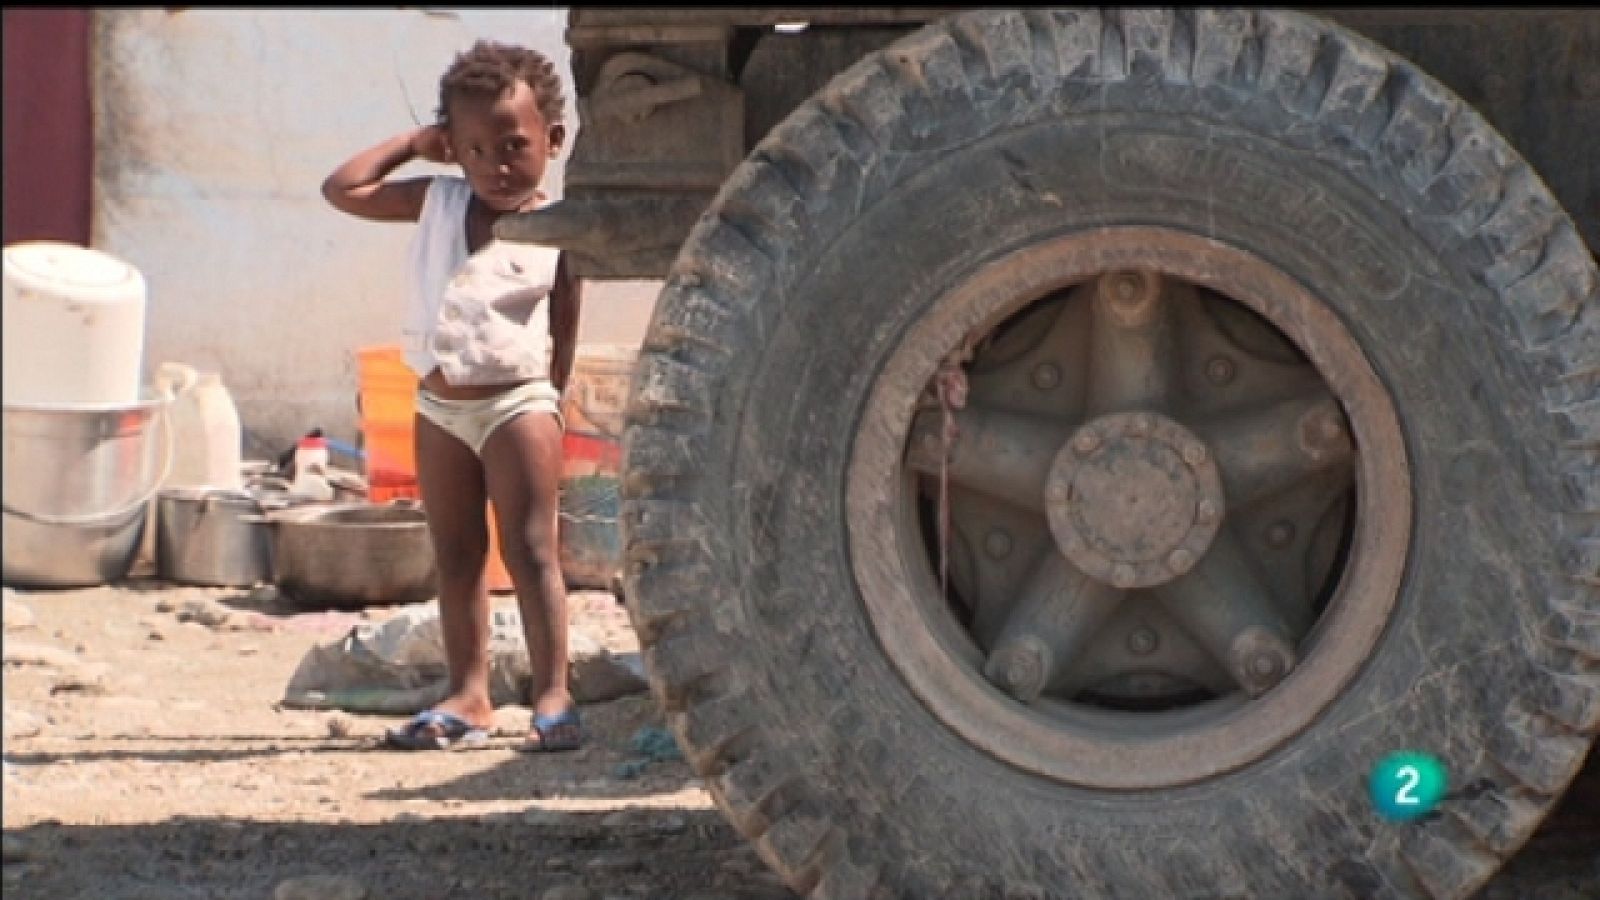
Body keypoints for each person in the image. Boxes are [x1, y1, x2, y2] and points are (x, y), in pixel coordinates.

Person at [322, 39, 583, 753]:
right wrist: (413, 144)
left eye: (512, 145)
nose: (493, 165)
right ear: (450, 150)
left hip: (516, 406)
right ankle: (470, 695)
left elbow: (563, 325)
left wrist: (547, 405)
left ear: (551, 140)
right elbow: (341, 188)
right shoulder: (436, 201)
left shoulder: (557, 228)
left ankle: (553, 694)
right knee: (457, 554)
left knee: (531, 551)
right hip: (438, 409)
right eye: (470, 148)